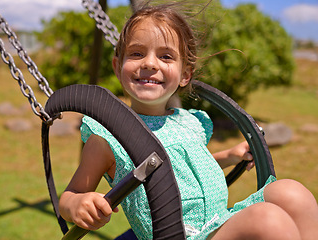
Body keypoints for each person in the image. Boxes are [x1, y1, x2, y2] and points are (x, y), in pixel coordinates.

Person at [59, 3, 318, 240]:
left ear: (185, 75)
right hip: (177, 235)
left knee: (291, 193)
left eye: (166, 56)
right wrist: (77, 205)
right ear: (117, 66)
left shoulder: (189, 122)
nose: (150, 63)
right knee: (269, 221)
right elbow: (69, 196)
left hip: (217, 221)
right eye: (137, 54)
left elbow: (185, 172)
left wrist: (229, 155)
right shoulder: (108, 138)